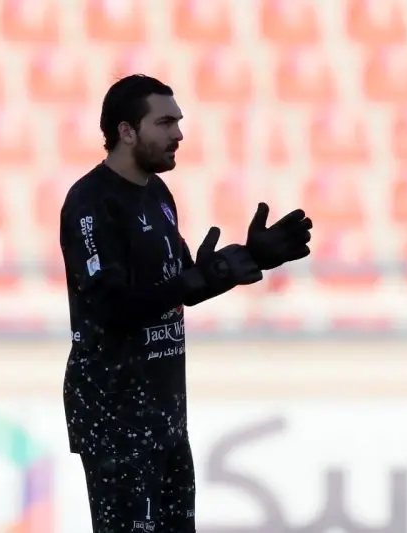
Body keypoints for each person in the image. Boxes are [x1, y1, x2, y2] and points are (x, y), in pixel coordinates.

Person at [59, 74, 313, 533]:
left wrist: (246, 260)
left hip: (166, 412)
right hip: (116, 414)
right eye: (165, 123)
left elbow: (181, 288)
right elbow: (112, 308)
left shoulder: (157, 194)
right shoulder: (91, 203)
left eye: (178, 122)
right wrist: (196, 278)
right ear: (126, 131)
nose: (178, 134)